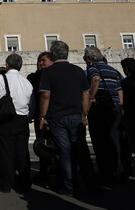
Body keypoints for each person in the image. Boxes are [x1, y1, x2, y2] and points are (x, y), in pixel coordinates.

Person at [39, 41, 99, 196]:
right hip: (75, 115)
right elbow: (85, 95)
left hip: (56, 117)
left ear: (53, 55)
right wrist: (83, 113)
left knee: (65, 152)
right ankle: (91, 185)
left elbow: (45, 96)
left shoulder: (48, 72)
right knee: (82, 150)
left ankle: (69, 186)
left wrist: (42, 116)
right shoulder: (78, 71)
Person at [0, 54, 33, 193]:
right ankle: (24, 184)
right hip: (22, 119)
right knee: (22, 153)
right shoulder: (26, 82)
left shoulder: (2, 78)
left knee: (6, 152)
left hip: (7, 119)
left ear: (7, 65)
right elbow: (31, 102)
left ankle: (6, 183)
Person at [83, 46, 124, 184]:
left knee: (100, 141)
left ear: (90, 58)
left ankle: (105, 172)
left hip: (100, 107)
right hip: (115, 108)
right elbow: (119, 91)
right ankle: (118, 170)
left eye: (85, 58)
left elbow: (95, 79)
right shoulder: (112, 70)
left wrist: (90, 98)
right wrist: (120, 107)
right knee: (114, 140)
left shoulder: (92, 67)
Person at [27, 52, 54, 186]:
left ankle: (53, 172)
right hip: (41, 117)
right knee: (42, 147)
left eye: (43, 60)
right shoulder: (33, 77)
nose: (40, 63)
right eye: (39, 60)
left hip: (53, 116)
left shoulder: (54, 75)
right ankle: (44, 173)